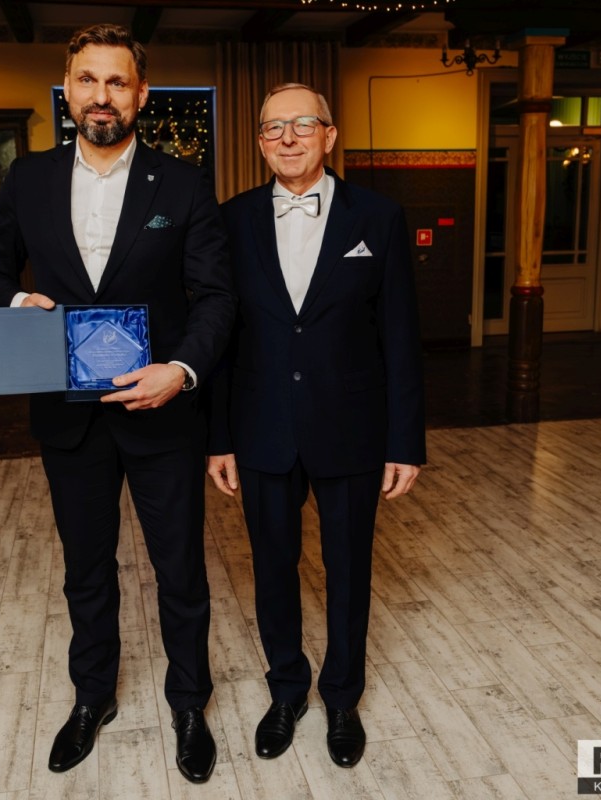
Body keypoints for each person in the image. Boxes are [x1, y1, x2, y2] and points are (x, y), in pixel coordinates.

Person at [0, 24, 234, 783]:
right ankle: (92, 697)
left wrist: (181, 369)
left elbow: (216, 296)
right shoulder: (29, 178)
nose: (101, 96)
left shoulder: (182, 184)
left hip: (162, 411)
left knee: (180, 569)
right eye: (88, 80)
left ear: (141, 95)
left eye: (117, 82)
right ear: (67, 89)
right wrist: (17, 300)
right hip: (68, 414)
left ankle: (189, 703)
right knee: (85, 568)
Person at [206, 83, 425, 768]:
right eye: (274, 127)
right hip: (261, 425)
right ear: (260, 142)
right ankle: (286, 691)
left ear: (330, 136)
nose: (289, 137)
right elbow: (221, 334)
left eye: (304, 124)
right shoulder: (230, 220)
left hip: (353, 426)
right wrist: (218, 436)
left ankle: (341, 698)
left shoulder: (379, 217)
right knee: (272, 567)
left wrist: (405, 441)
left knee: (348, 569)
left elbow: (400, 336)